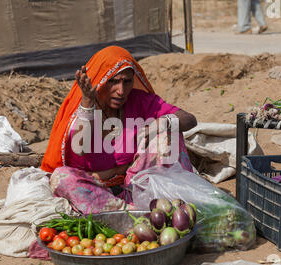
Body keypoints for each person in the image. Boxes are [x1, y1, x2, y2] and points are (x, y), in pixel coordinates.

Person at [40, 46, 197, 214]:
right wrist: (87, 102)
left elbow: (189, 119)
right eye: (113, 81)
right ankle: (125, 212)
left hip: (137, 187)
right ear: (99, 80)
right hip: (96, 192)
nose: (121, 91)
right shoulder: (83, 110)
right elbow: (80, 148)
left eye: (127, 81)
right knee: (62, 178)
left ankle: (149, 208)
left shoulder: (139, 101)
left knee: (170, 133)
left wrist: (160, 124)